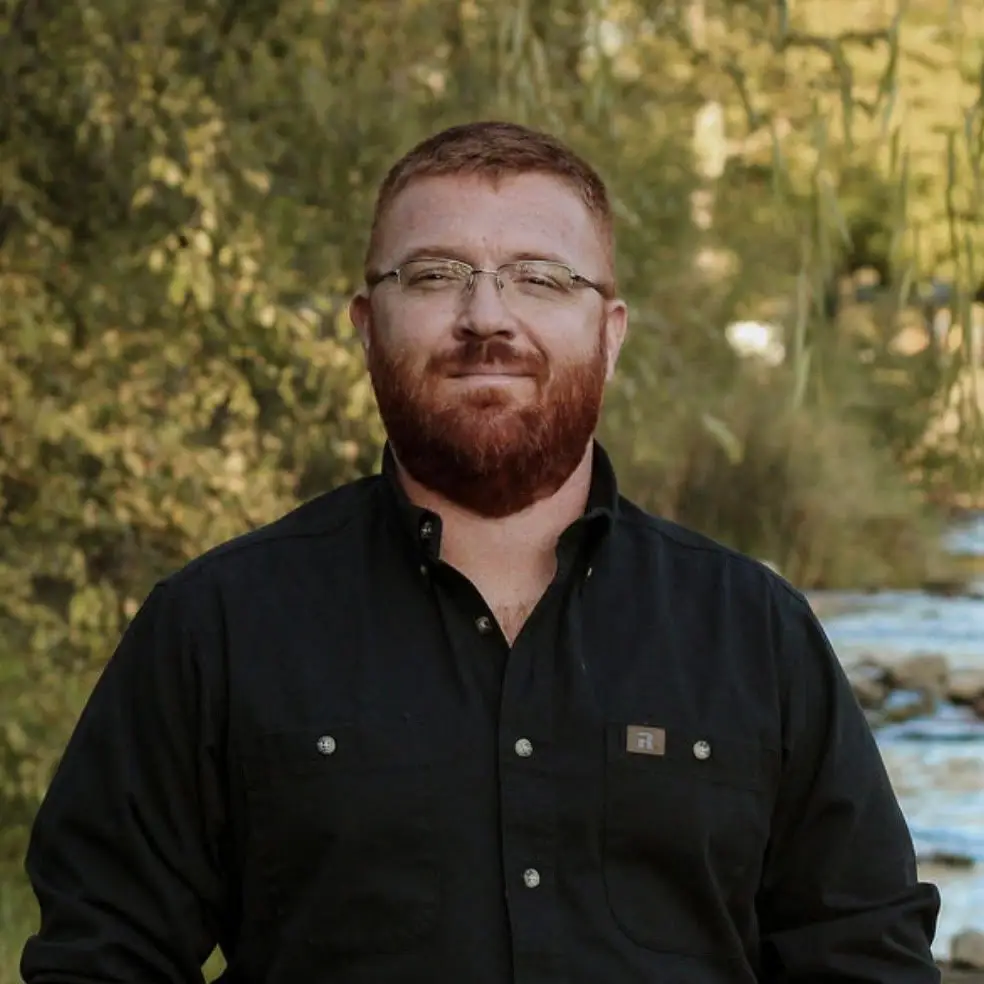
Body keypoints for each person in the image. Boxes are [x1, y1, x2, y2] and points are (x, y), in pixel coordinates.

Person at [21, 120, 940, 984]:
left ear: (610, 334)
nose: (486, 316)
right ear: (365, 325)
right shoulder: (215, 626)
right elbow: (102, 955)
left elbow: (865, 957)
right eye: (433, 275)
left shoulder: (754, 633)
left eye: (541, 278)